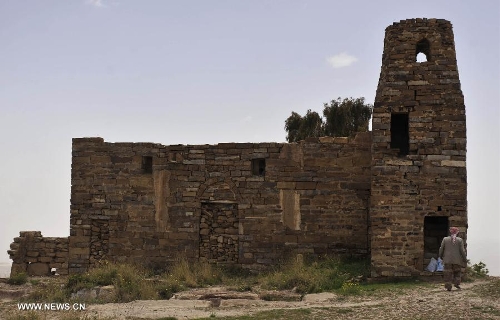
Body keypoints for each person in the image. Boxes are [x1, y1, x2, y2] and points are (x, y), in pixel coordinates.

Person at [439, 227, 467, 291]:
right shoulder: (460, 240)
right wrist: (464, 259)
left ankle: (448, 286)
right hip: (457, 260)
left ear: (450, 232)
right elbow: (462, 251)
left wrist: (440, 256)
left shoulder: (445, 239)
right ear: (457, 232)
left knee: (447, 273)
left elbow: (441, 248)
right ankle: (456, 283)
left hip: (447, 260)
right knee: (457, 272)